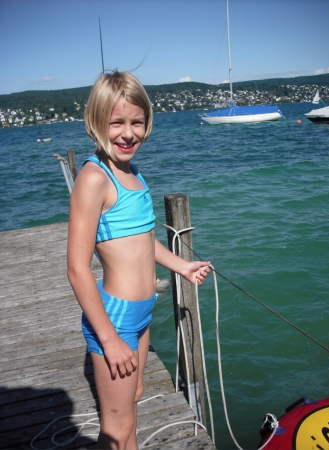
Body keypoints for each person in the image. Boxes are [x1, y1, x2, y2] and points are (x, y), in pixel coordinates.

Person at [67, 70, 210, 450]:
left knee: (133, 401)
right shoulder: (94, 179)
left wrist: (182, 266)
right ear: (95, 122)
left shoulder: (134, 175)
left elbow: (144, 243)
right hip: (116, 319)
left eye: (137, 122)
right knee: (116, 426)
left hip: (141, 313)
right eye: (116, 123)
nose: (128, 133)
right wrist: (109, 338)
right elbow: (77, 268)